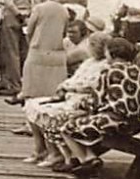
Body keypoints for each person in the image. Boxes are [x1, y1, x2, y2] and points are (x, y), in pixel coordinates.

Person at [54, 38, 140, 179]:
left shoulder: (108, 72)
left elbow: (96, 101)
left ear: (111, 54)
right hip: (132, 123)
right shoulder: (139, 72)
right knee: (79, 124)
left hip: (111, 121)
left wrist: (79, 104)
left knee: (66, 128)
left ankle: (87, 162)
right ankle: (90, 160)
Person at [23, 32, 111, 169]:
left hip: (83, 100)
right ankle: (41, 149)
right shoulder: (89, 62)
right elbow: (75, 79)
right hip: (71, 96)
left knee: (49, 113)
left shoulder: (105, 66)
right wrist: (65, 85)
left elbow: (90, 86)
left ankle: (56, 154)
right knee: (32, 104)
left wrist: (69, 87)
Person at [19, 0, 68, 101]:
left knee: (32, 83)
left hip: (38, 48)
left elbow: (29, 29)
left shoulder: (39, 8)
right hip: (57, 51)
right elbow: (64, 32)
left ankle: (25, 97)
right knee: (52, 85)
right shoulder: (64, 10)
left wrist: (30, 42)